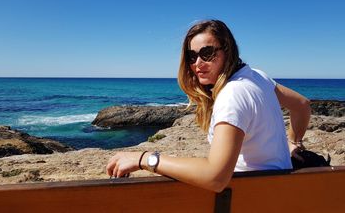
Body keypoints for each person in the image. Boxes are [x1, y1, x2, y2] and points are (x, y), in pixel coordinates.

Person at [106, 19, 311, 192]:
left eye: (207, 53)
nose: (198, 63)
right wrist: (293, 142)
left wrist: (145, 159)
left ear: (227, 51)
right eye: (191, 56)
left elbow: (216, 177)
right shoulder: (257, 76)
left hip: (248, 198)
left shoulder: (232, 95)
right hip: (279, 192)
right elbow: (302, 105)